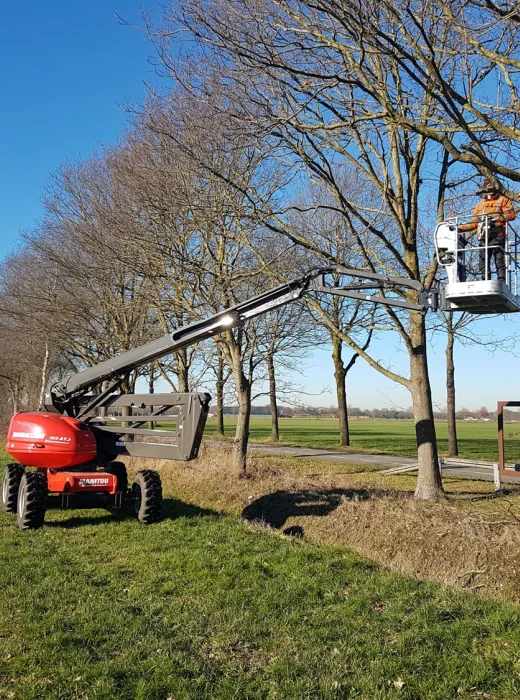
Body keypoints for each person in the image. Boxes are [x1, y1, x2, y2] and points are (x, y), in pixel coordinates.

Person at [458, 178, 516, 282]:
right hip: (484, 236)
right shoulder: (480, 205)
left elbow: (511, 215)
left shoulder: (503, 200)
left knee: (499, 259)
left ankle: (501, 281)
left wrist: (497, 219)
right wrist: (459, 228)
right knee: (483, 260)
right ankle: (485, 280)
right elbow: (474, 222)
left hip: (498, 234)